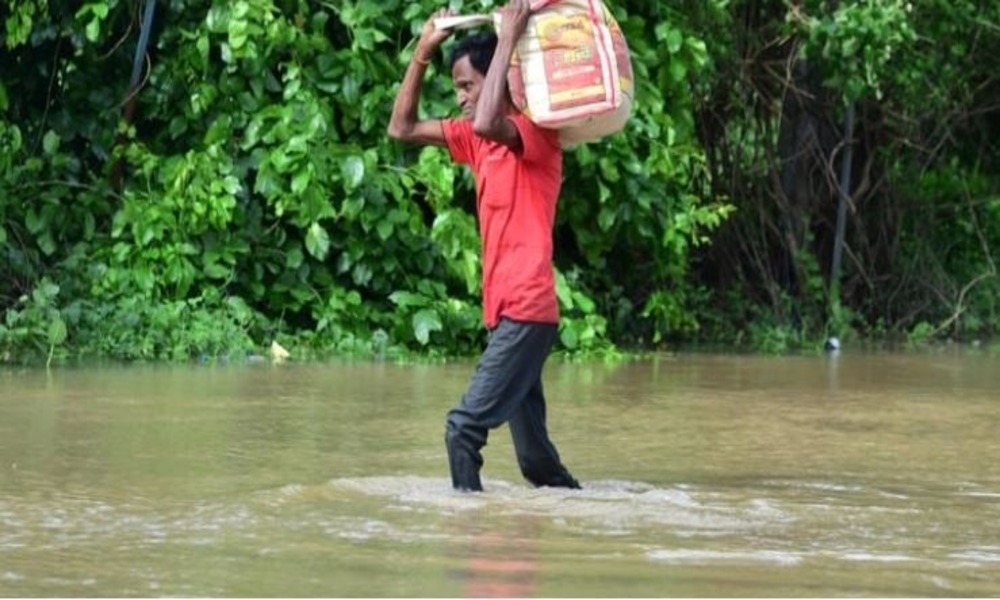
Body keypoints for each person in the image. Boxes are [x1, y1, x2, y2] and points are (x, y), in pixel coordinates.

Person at [387, 0, 580, 492]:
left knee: (461, 430)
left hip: (526, 311)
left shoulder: (536, 135)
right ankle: (586, 519)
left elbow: (491, 120)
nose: (462, 98)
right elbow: (401, 129)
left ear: (497, 77)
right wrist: (422, 53)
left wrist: (510, 39)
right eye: (457, 89)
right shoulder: (477, 143)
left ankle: (467, 529)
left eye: (468, 86)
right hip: (506, 316)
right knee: (536, 462)